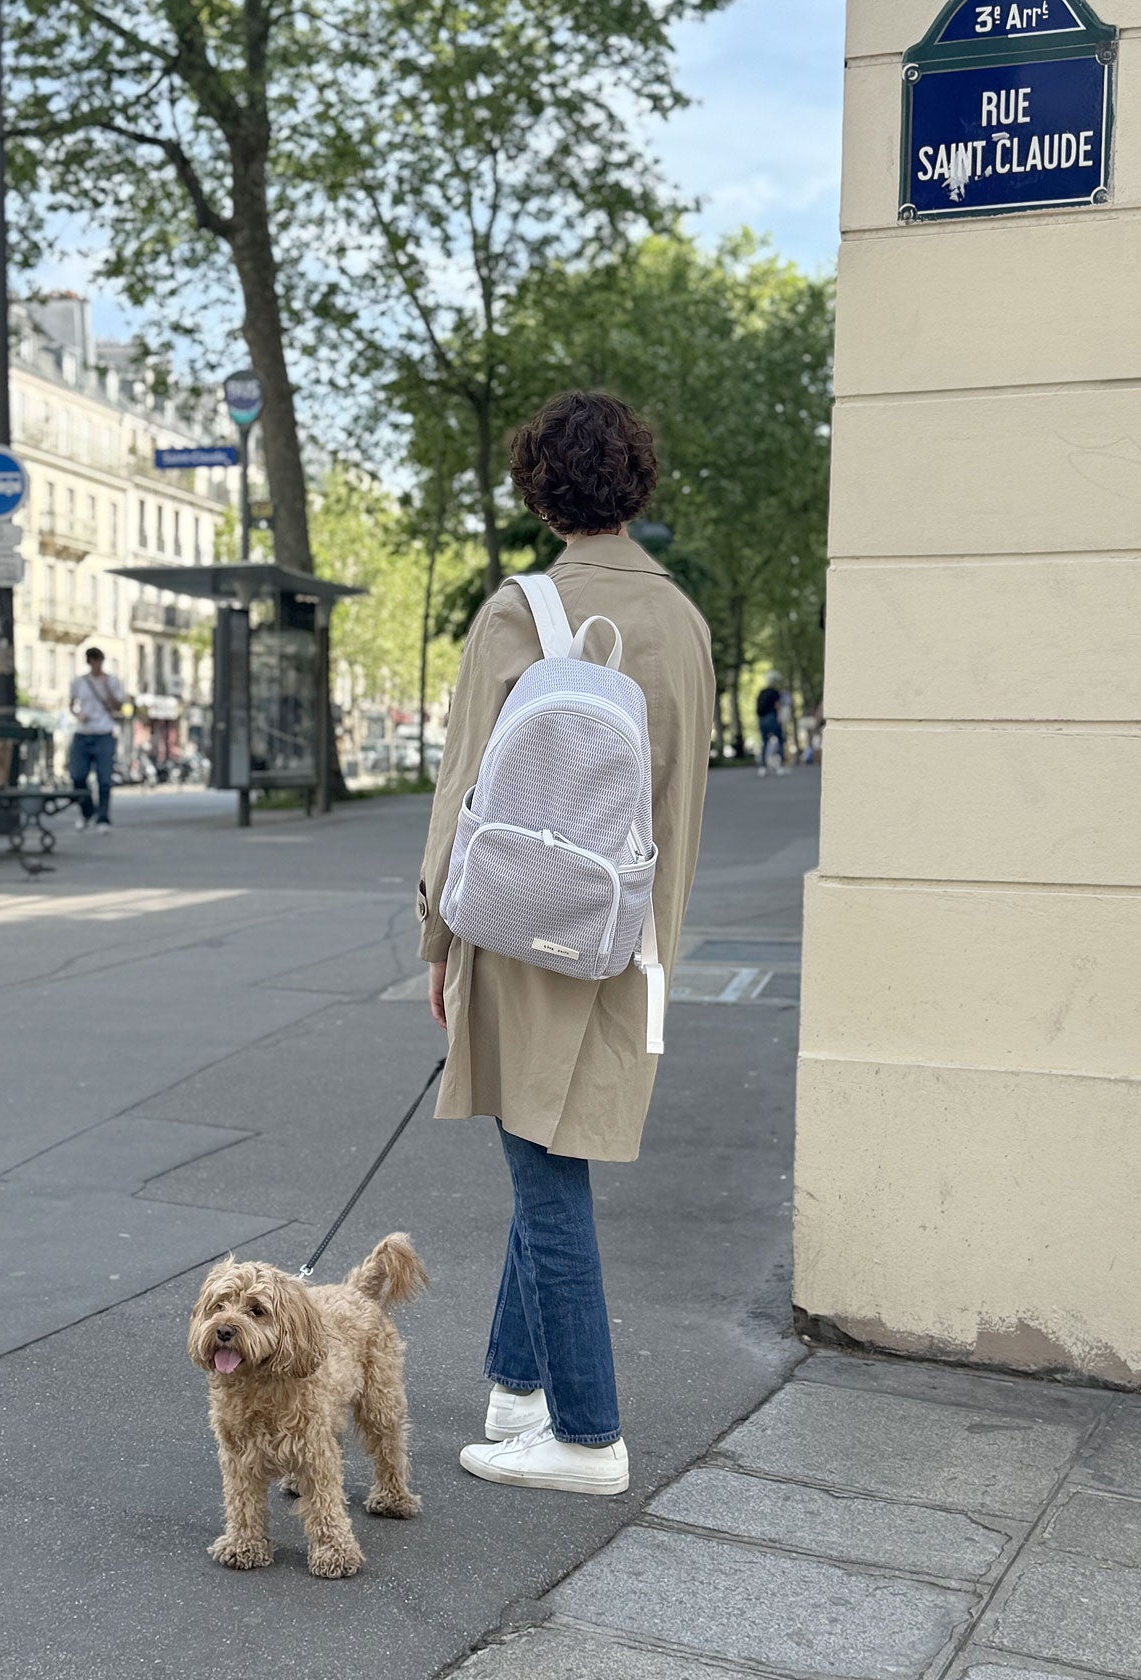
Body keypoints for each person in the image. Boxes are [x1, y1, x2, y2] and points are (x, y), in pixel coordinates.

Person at [416, 390, 715, 1496]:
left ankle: (587, 1435)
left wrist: (436, 942)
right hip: (629, 933)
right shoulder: (682, 620)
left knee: (542, 1169)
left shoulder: (517, 612)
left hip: (520, 926)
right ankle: (513, 1386)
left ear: (538, 489)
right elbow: (682, 800)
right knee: (550, 1142)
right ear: (635, 483)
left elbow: (458, 797)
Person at [68, 647, 125, 830]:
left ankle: (103, 818)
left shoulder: (113, 681)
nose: (96, 664)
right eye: (93, 660)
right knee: (77, 776)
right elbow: (71, 705)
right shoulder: (79, 682)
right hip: (83, 733)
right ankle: (87, 812)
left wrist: (107, 689)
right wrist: (79, 716)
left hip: (104, 732)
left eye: (99, 660)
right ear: (88, 661)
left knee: (104, 779)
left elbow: (118, 706)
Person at [755, 671, 786, 775]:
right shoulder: (775, 692)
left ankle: (763, 767)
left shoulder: (761, 692)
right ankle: (780, 766)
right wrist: (779, 718)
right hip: (772, 717)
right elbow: (778, 706)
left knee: (764, 742)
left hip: (762, 719)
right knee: (779, 740)